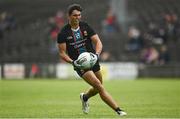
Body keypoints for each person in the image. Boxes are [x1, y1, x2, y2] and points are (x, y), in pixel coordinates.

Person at [57, 4, 127, 116]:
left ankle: (85, 97)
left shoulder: (85, 26)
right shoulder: (63, 33)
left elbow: (98, 42)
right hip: (80, 65)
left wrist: (97, 54)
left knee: (98, 86)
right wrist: (73, 62)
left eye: (79, 15)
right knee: (99, 86)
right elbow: (62, 53)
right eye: (75, 15)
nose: (78, 17)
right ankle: (118, 110)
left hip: (92, 60)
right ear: (69, 16)